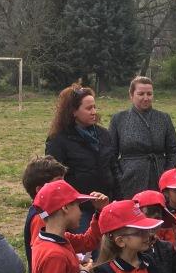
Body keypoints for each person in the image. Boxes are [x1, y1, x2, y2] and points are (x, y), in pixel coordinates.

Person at [20, 155, 107, 273]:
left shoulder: (52, 226)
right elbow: (51, 271)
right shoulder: (40, 221)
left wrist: (99, 211)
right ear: (40, 190)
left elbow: (87, 242)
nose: (65, 187)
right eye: (58, 183)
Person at [46, 84, 120, 231]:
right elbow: (54, 179)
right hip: (80, 211)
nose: (94, 112)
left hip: (107, 205)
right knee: (85, 251)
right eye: (88, 108)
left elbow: (114, 167)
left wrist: (117, 198)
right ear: (73, 111)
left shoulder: (104, 134)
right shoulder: (58, 140)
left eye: (94, 107)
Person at [108, 76, 176, 197]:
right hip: (129, 179)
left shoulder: (163, 118)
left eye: (149, 94)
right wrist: (120, 178)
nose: (146, 98)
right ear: (131, 95)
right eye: (141, 94)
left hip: (158, 177)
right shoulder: (119, 119)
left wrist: (167, 176)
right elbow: (111, 153)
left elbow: (173, 150)